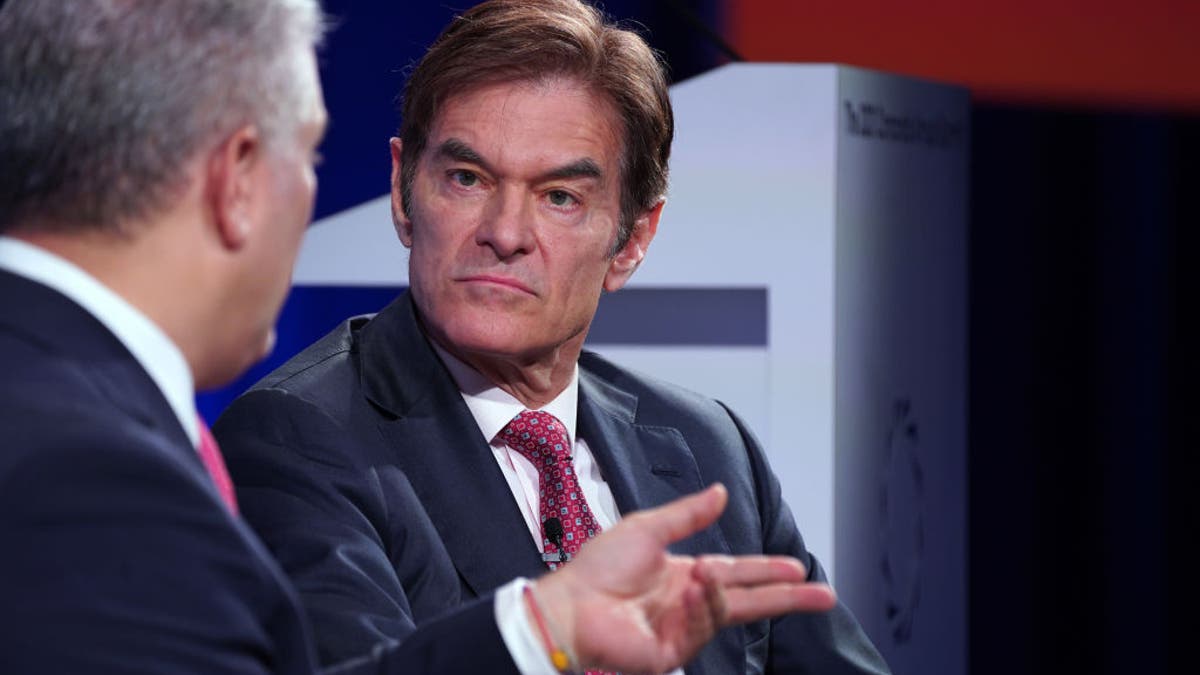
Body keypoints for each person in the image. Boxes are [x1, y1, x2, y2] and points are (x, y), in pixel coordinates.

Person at [0, 1, 842, 673]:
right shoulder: (296, 439)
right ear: (405, 194)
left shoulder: (708, 444)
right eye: (467, 178)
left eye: (559, 197)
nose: (504, 231)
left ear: (632, 237)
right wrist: (545, 633)